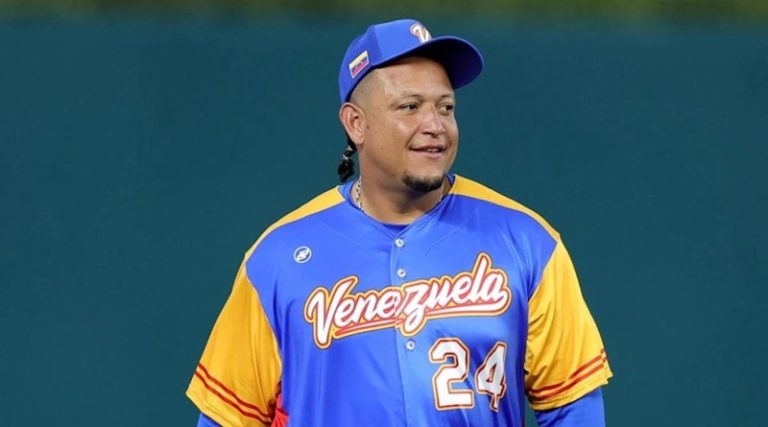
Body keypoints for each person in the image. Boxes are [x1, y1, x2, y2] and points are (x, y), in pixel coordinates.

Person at [186, 18, 612, 427]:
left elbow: (573, 409)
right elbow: (227, 418)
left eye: (446, 108)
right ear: (356, 123)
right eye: (410, 107)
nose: (435, 126)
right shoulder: (277, 259)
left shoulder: (526, 241)